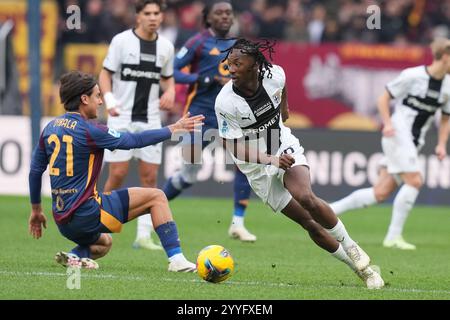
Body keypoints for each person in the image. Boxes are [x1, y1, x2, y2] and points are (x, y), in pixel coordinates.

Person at [215, 38, 384, 289]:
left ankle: (352, 246)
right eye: (229, 64)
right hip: (256, 167)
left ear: (254, 66)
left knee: (306, 196)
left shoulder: (275, 74)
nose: (231, 69)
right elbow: (233, 146)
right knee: (310, 224)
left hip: (282, 144)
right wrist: (270, 160)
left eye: (238, 63)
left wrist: (284, 110)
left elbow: (282, 89)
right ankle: (362, 271)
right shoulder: (226, 102)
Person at [28, 70, 204, 272]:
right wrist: (173, 128)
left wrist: (36, 210)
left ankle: (75, 256)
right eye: (97, 96)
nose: (101, 102)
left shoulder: (50, 128)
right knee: (157, 197)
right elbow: (134, 141)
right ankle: (177, 259)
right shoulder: (90, 130)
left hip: (62, 220)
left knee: (104, 243)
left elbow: (35, 171)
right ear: (84, 99)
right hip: (86, 213)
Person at [330, 38, 450, 250]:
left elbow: (446, 118)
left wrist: (441, 144)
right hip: (397, 132)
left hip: (414, 141)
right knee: (415, 180)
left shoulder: (447, 86)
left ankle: (329, 210)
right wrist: (386, 124)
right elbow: (383, 98)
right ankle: (393, 237)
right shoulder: (413, 76)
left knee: (381, 192)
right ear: (445, 57)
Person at [162, 0, 256, 242]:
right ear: (208, 18)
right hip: (200, 115)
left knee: (243, 161)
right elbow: (172, 70)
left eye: (228, 13)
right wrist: (200, 79)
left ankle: (238, 222)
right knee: (188, 173)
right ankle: (152, 207)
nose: (225, 17)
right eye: (219, 13)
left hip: (229, 116)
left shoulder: (239, 45)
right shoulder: (198, 42)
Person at [99, 0, 174, 250]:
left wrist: (171, 91)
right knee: (118, 174)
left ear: (161, 17)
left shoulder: (166, 47)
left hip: (151, 118)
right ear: (138, 16)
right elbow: (105, 74)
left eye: (157, 13)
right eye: (148, 13)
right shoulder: (121, 41)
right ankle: (98, 224)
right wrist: (108, 99)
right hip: (121, 116)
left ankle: (143, 236)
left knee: (149, 177)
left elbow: (167, 78)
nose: (153, 18)